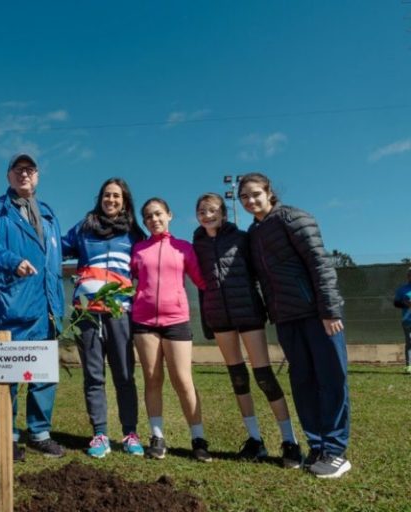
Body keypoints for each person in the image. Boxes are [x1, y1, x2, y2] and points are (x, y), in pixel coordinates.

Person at [238, 172, 351, 479]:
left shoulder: (293, 218)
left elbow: (319, 262)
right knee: (302, 382)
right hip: (286, 318)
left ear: (269, 192)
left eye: (255, 194)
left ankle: (336, 450)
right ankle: (316, 445)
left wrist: (329, 309)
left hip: (317, 314)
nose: (250, 200)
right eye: (244, 197)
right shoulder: (254, 233)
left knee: (331, 379)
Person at [192, 193, 302, 468]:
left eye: (214, 210)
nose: (208, 215)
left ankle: (290, 442)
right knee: (238, 378)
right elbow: (202, 286)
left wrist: (271, 307)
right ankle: (255, 441)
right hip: (220, 319)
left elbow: (260, 274)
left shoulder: (242, 238)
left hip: (249, 314)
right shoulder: (197, 244)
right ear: (197, 215)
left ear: (224, 213)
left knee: (264, 376)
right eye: (203, 211)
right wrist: (207, 321)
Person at [0, 153, 65, 459]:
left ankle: (39, 433)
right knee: (8, 373)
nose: (24, 174)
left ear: (37, 175)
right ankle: (6, 435)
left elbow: (57, 254)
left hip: (47, 306)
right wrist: (13, 262)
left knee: (43, 373)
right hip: (15, 303)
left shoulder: (49, 213)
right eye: (18, 170)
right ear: (9, 176)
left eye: (30, 170)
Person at [61, 178, 146, 458]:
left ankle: (130, 432)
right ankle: (99, 434)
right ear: (100, 198)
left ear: (125, 201)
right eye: (107, 196)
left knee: (124, 374)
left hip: (120, 312)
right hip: (86, 313)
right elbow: (56, 248)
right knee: (93, 376)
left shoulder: (134, 233)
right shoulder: (84, 228)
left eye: (117, 197)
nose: (111, 200)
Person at [131, 197, 211, 462]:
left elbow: (202, 281)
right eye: (148, 217)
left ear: (169, 215)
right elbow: (127, 280)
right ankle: (157, 436)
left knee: (183, 381)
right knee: (153, 379)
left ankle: (198, 438)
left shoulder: (184, 248)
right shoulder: (139, 250)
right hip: (143, 324)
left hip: (176, 321)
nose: (154, 220)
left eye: (158, 214)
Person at [392, 268, 411, 375]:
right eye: (410, 275)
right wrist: (406, 304)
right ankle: (409, 366)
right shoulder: (402, 290)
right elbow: (395, 303)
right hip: (407, 320)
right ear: (408, 276)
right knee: (410, 342)